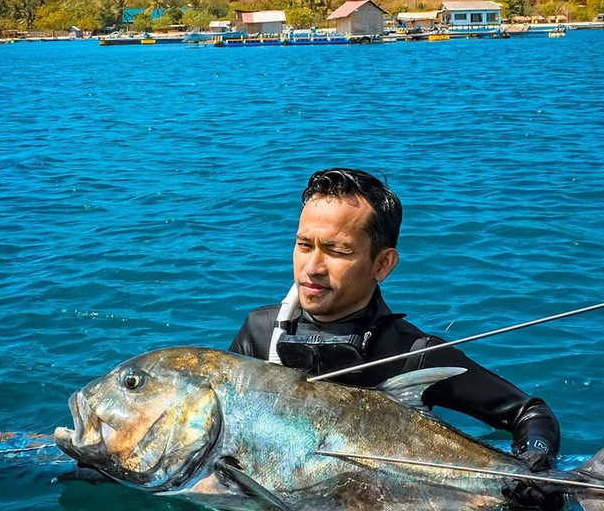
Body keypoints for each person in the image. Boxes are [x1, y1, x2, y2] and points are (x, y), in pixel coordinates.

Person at [229, 168, 563, 510]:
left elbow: (531, 413)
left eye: (338, 251)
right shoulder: (261, 332)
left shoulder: (413, 353)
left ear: (383, 263)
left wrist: (535, 462)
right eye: (304, 245)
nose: (312, 267)